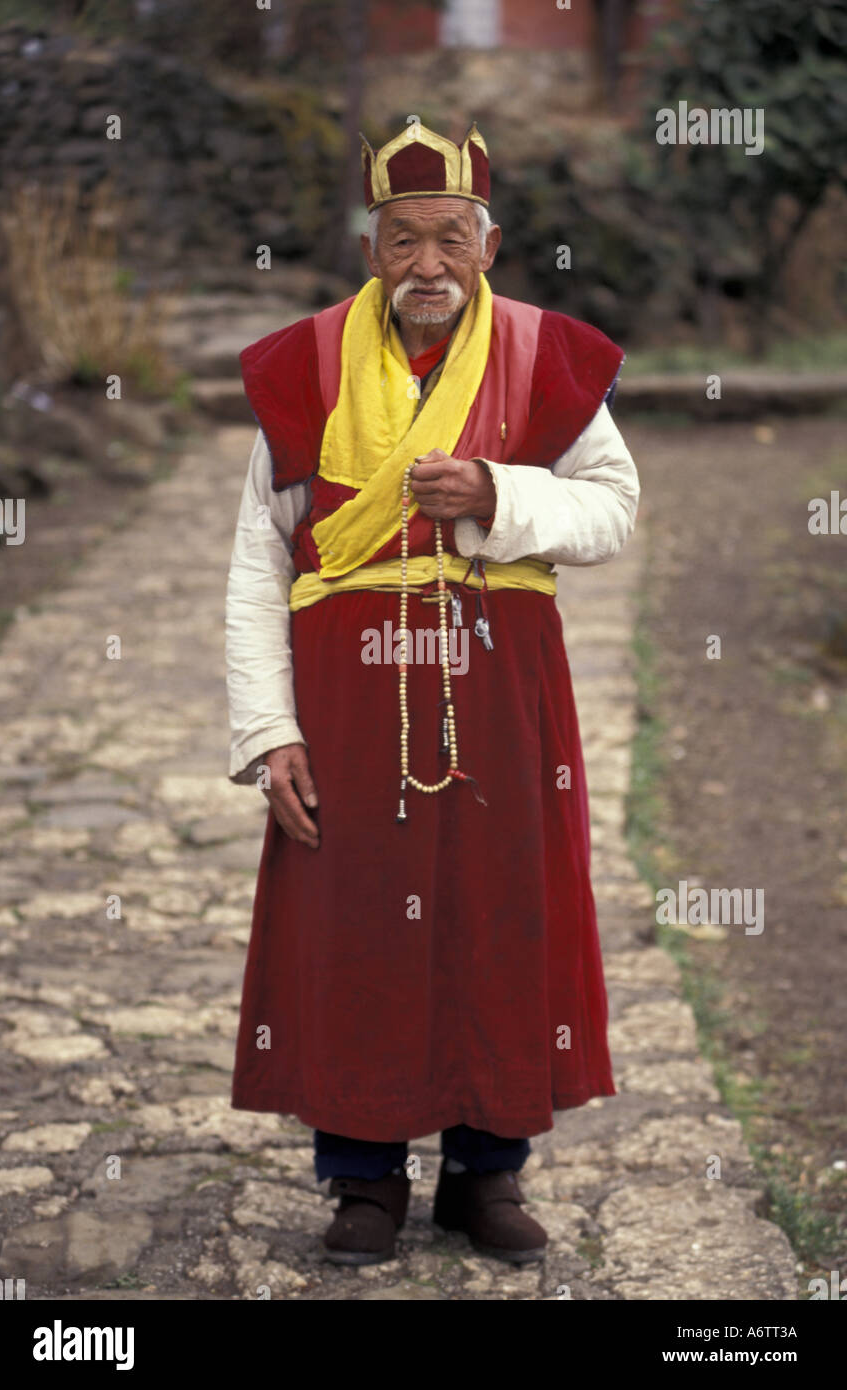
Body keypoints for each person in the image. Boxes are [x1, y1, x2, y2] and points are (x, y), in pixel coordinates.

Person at [225, 120, 640, 1267]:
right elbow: (260, 564)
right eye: (402, 240)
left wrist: (498, 494)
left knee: (499, 914)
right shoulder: (302, 364)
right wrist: (269, 733)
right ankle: (362, 1178)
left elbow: (610, 508)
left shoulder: (544, 354)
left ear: (489, 242)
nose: (426, 266)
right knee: (354, 919)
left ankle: (484, 1173)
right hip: (348, 709)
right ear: (371, 250)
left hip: (506, 704)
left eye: (448, 239)